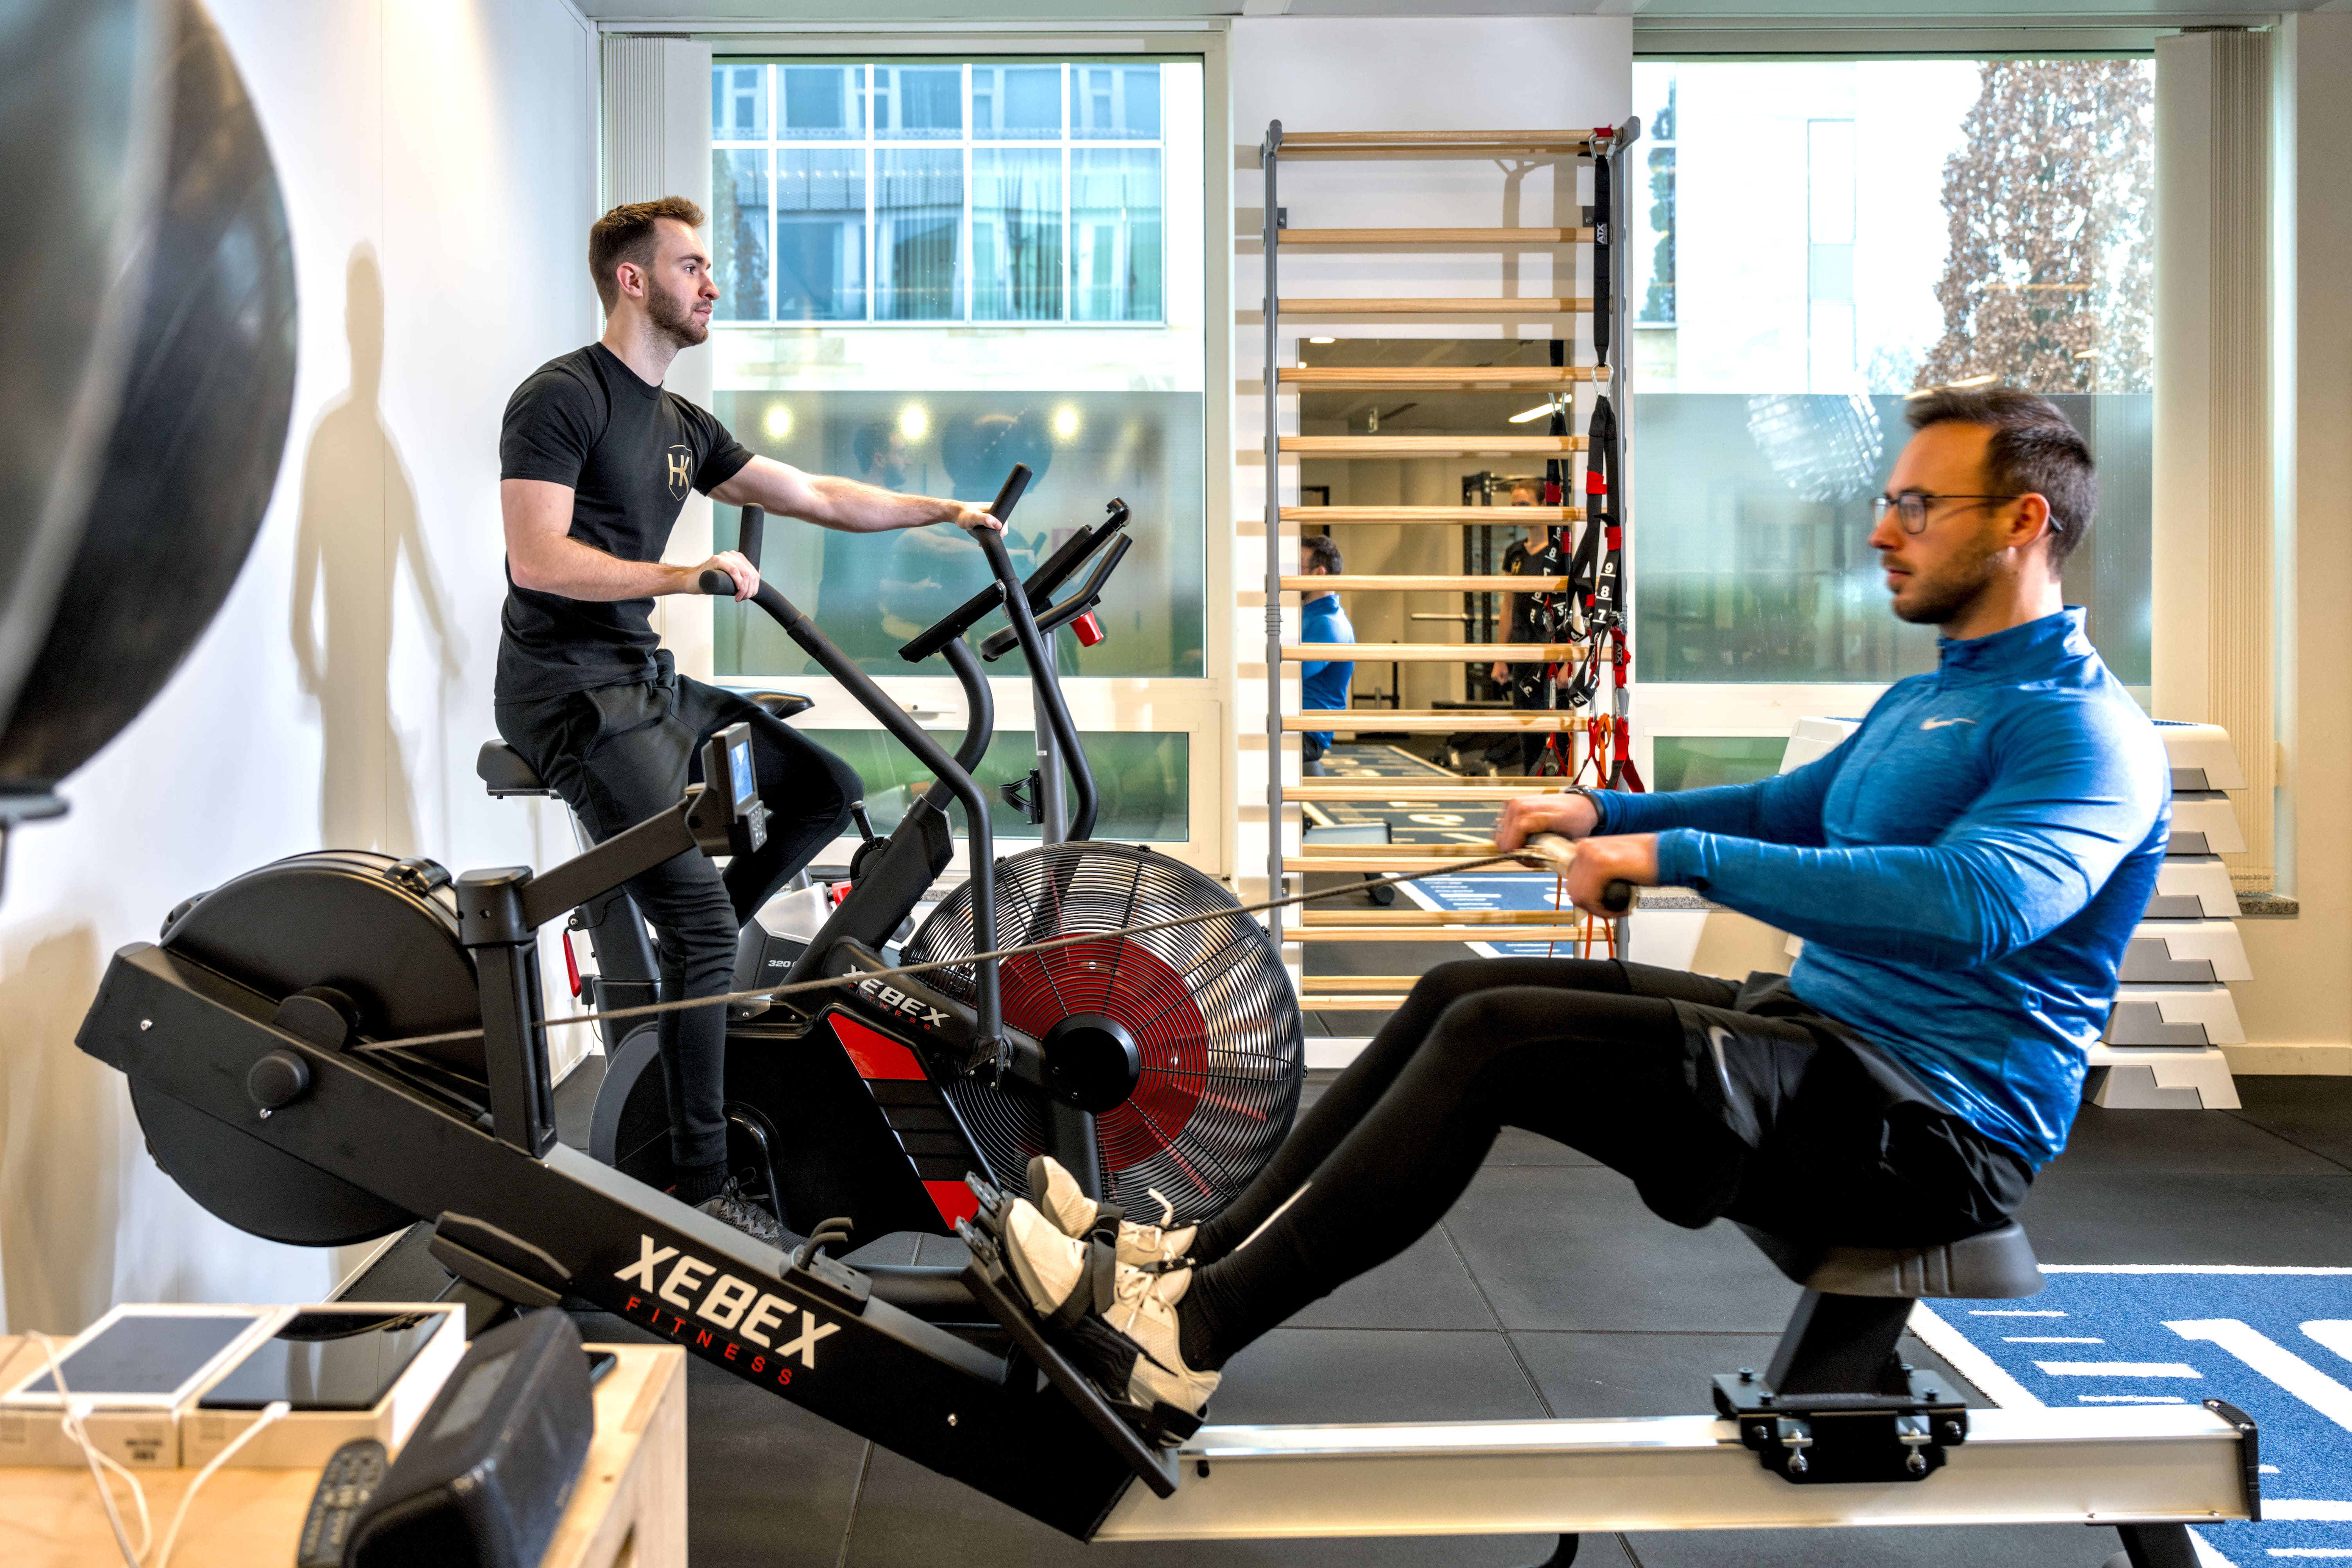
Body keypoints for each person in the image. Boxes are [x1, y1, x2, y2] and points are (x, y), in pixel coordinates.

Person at [990, 386, 2169, 1422]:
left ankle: (1185, 1342)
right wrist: (1607, 811)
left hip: (1927, 1128)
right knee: (1465, 985)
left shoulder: (2081, 727)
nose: (1879, 529)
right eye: (1887, 500)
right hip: (1834, 1047)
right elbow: (1794, 803)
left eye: (1919, 506)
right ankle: (1194, 1256)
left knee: (1503, 1042)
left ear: (2024, 521)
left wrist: (1676, 859)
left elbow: (1980, 903)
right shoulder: (1934, 697)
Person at [494, 197, 1000, 1242]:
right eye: (692, 266)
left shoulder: (682, 425)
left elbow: (816, 494)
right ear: (633, 280)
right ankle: (702, 1183)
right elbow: (536, 558)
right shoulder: (561, 396)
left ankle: (696, 963)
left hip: (642, 675)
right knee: (700, 921)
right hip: (567, 687)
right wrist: (685, 571)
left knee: (825, 790)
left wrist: (945, 512)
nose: (712, 283)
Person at [1486, 480, 1555, 773]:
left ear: (1543, 506)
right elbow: (1508, 607)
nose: (1518, 511)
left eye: (1524, 504)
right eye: (1514, 505)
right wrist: (1501, 657)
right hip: (1522, 650)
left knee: (1554, 731)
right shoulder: (1515, 553)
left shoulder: (1561, 551)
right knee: (1527, 730)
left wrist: (1568, 663)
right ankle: (1532, 783)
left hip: (1551, 650)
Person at [1297, 534, 1353, 776]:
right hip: (1294, 723)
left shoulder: (1329, 625)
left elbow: (1287, 675)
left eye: (1295, 567)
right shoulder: (1309, 615)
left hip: (1306, 735)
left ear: (1319, 574)